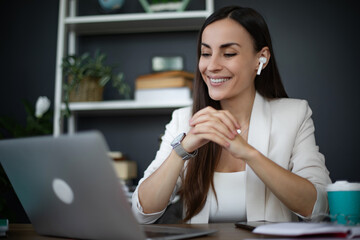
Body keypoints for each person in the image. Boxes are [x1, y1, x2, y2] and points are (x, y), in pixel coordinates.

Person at [132, 6, 331, 224]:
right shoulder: (183, 120)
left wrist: (248, 153)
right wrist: (183, 149)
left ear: (261, 58)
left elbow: (318, 207)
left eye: (228, 54)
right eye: (206, 53)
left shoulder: (294, 114)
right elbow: (142, 212)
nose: (212, 66)